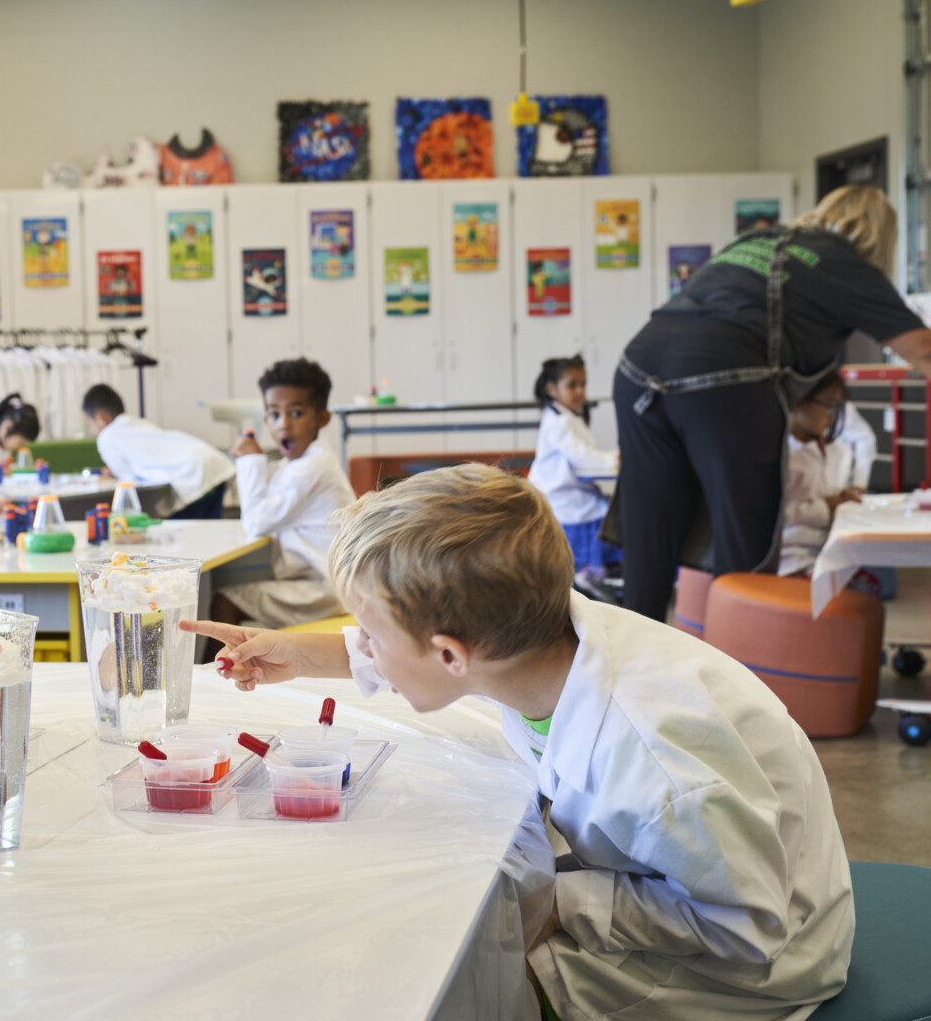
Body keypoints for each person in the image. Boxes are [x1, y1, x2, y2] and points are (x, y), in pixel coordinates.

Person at [185, 465, 852, 1021]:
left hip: (751, 962)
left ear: (452, 653)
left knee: (468, 986)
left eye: (368, 628)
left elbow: (748, 925)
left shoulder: (658, 766)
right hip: (676, 867)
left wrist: (563, 906)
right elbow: (412, 647)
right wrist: (301, 653)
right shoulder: (531, 637)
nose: (362, 642)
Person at [614, 184, 931, 619]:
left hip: (638, 369)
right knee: (745, 539)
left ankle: (627, 677)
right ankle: (737, 671)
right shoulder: (847, 263)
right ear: (880, 237)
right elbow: (923, 350)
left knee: (649, 536)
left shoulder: (755, 241)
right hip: (727, 378)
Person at [213, 358, 355, 629]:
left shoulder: (313, 468)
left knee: (224, 601)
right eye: (274, 414)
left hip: (325, 589)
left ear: (322, 419)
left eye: (296, 413)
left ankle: (215, 672)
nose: (283, 426)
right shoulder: (299, 464)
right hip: (322, 582)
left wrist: (251, 462)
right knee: (236, 596)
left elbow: (256, 523)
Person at [527, 355, 620, 578]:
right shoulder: (559, 422)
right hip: (565, 502)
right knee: (609, 514)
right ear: (551, 389)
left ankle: (596, 571)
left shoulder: (566, 417)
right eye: (572, 385)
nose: (580, 391)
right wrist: (616, 459)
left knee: (608, 508)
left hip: (574, 495)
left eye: (583, 385)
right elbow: (582, 457)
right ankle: (591, 572)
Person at [83, 383, 234, 519]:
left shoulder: (107, 437)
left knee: (186, 535)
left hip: (194, 473)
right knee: (210, 532)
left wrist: (117, 475)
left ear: (100, 418)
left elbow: (128, 484)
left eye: (90, 423)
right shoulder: (134, 423)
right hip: (213, 463)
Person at [779, 372, 863, 578]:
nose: (832, 416)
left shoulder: (823, 449)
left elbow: (817, 493)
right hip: (793, 560)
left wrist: (842, 498)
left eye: (837, 408)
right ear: (798, 402)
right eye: (828, 406)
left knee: (868, 585)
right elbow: (779, 515)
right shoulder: (785, 457)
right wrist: (827, 506)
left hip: (822, 553)